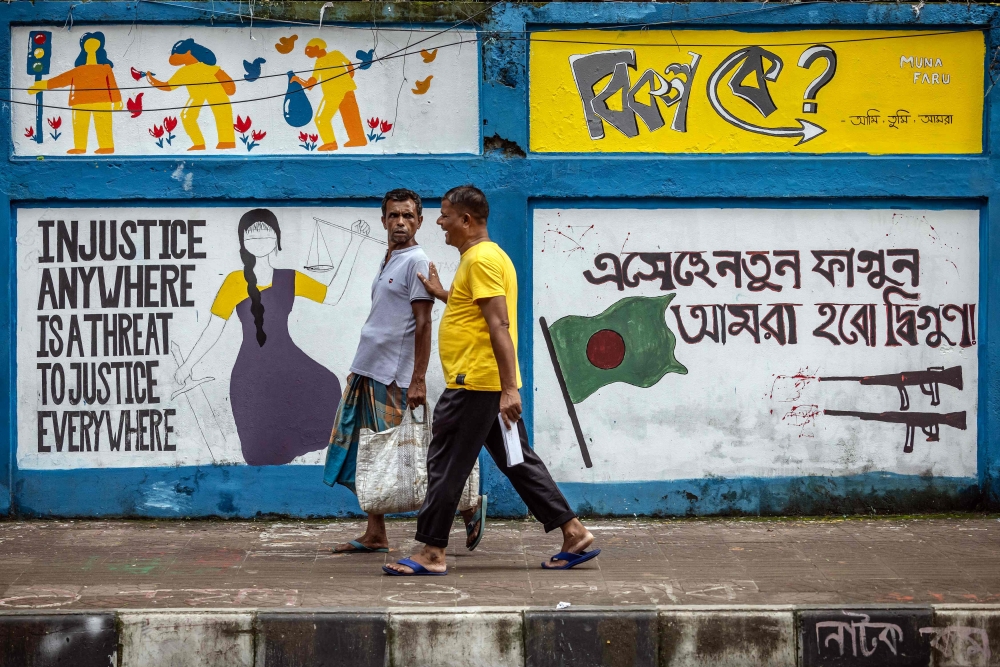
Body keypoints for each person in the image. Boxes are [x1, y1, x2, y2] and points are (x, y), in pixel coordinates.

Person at [383, 185, 599, 576]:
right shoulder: (489, 257)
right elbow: (477, 311)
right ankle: (574, 532)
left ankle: (431, 551)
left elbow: (499, 322)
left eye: (446, 214)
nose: (439, 221)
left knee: (445, 465)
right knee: (518, 462)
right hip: (486, 385)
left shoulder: (480, 260)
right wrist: (443, 293)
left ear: (466, 220)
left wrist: (510, 388)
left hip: (475, 386)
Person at [324, 189, 486, 554]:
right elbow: (380, 321)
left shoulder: (417, 261)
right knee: (363, 452)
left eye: (408, 216)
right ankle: (376, 532)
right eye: (394, 216)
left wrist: (416, 380)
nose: (400, 223)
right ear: (384, 220)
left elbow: (423, 323)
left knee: (412, 453)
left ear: (420, 221)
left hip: (395, 377)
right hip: (368, 372)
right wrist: (357, 368)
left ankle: (468, 504)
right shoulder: (390, 258)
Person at [175, 208, 368, 465]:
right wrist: (187, 365)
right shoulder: (234, 282)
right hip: (251, 370)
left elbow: (332, 296)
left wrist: (355, 243)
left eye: (265, 234)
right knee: (261, 448)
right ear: (242, 242)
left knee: (327, 384)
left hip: (288, 360)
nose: (258, 240)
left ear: (276, 238)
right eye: (251, 236)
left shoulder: (289, 277)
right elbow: (213, 328)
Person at [28, 32, 121, 154]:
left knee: (103, 125)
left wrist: (117, 100)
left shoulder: (105, 68)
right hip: (80, 101)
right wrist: (42, 85)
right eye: (88, 44)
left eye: (95, 44)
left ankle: (107, 146)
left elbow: (112, 85)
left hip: (102, 101)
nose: (91, 47)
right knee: (80, 125)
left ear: (100, 47)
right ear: (84, 48)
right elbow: (61, 80)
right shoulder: (78, 70)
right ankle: (80, 147)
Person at [147, 39, 237, 151]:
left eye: (175, 54)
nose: (173, 58)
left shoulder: (208, 68)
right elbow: (168, 86)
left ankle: (227, 142)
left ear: (188, 52)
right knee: (187, 116)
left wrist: (229, 88)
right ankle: (199, 143)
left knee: (222, 113)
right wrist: (150, 79)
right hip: (197, 95)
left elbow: (228, 84)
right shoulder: (183, 72)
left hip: (216, 93)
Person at [292, 38, 367, 151]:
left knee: (321, 119)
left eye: (308, 49)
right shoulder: (329, 57)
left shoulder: (329, 57)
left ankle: (331, 143)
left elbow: (310, 84)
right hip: (347, 89)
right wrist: (346, 81)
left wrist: (297, 79)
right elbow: (350, 66)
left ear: (317, 47)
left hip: (334, 93)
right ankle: (358, 139)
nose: (306, 52)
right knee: (351, 115)